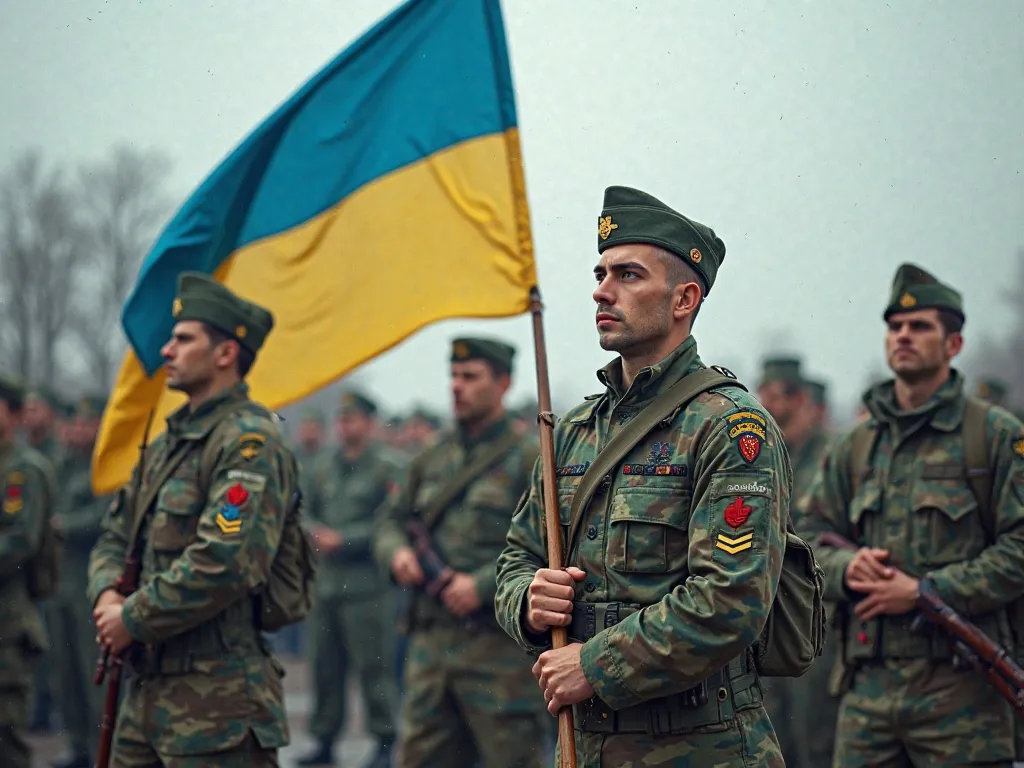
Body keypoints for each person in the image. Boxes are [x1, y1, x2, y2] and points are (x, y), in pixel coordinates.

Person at [494, 185, 790, 767]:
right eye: (601, 273)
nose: (601, 291)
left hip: (702, 747)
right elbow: (514, 560)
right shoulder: (573, 430)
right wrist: (529, 601)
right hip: (588, 746)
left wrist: (594, 664)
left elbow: (730, 600)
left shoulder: (729, 428)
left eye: (628, 275)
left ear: (684, 298)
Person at [799, 263, 1024, 767]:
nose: (903, 336)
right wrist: (845, 570)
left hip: (962, 692)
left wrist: (926, 592)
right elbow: (805, 538)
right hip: (866, 693)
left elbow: (1019, 550)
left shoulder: (994, 436)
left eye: (920, 326)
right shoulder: (855, 445)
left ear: (954, 344)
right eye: (895, 326)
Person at [87, 272, 301, 767]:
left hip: (218, 703)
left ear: (225, 353)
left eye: (183, 339)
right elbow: (114, 537)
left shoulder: (249, 443)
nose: (167, 350)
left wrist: (132, 618)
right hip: (146, 697)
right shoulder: (164, 448)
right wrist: (106, 598)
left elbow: (227, 560)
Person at [372, 338, 550, 768]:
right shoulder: (430, 458)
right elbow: (390, 521)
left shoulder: (532, 457)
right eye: (454, 376)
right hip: (431, 651)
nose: (457, 386)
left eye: (470, 377)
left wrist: (484, 584)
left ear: (503, 383)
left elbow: (552, 545)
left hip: (500, 654)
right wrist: (397, 555)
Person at [298, 390, 401, 768]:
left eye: (353, 419)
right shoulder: (324, 465)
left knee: (374, 667)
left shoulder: (387, 467)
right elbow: (303, 508)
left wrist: (347, 538)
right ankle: (324, 740)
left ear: (369, 423)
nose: (345, 426)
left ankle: (385, 741)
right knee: (324, 667)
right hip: (326, 587)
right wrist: (313, 531)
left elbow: (394, 520)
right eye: (341, 419)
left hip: (366, 588)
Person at [756, 357, 838, 767]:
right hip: (767, 618)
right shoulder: (767, 453)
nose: (764, 400)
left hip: (814, 620)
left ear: (799, 398)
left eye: (774, 393)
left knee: (814, 740)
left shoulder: (828, 456)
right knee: (776, 738)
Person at [48, 395, 112, 768]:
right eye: (74, 423)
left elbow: (103, 517)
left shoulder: (104, 466)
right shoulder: (62, 464)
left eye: (86, 423)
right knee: (65, 671)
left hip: (92, 583)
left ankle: (98, 747)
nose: (77, 430)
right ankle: (77, 745)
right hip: (62, 584)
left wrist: (62, 526)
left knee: (93, 673)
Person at [0, 373, 56, 767]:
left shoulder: (24, 470)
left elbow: (20, 543)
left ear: (14, 415)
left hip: (6, 627)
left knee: (6, 743)